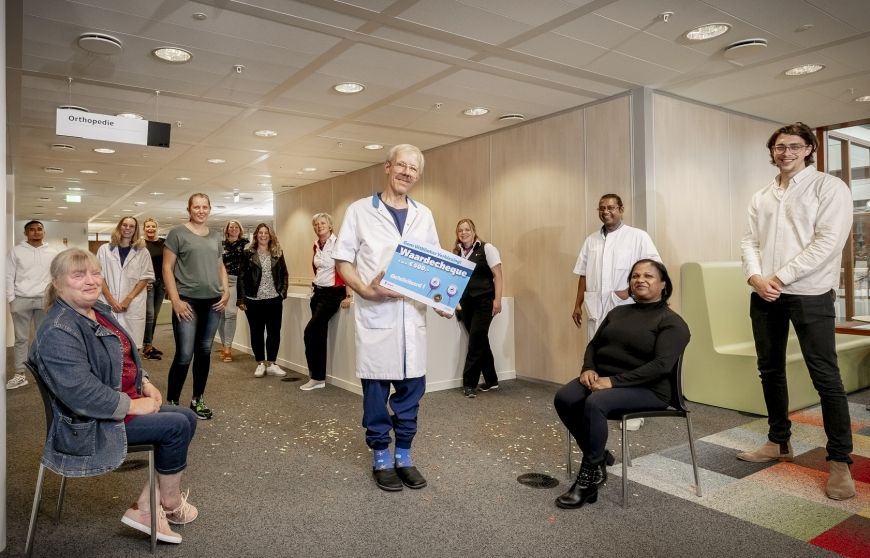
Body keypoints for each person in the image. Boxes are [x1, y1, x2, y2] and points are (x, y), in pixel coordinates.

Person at [29, 248, 199, 544]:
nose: (91, 281)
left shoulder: (99, 311)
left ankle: (147, 506)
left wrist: (144, 383)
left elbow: (125, 357)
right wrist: (134, 404)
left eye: (95, 273)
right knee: (177, 425)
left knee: (186, 415)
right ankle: (167, 503)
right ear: (58, 283)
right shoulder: (59, 329)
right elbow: (82, 394)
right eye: (79, 275)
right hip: (88, 424)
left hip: (115, 404)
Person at [738, 122, 856, 500]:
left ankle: (839, 460)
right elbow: (749, 240)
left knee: (825, 376)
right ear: (771, 151)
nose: (785, 152)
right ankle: (779, 441)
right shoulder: (763, 195)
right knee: (769, 369)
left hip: (810, 292)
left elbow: (828, 242)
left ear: (809, 149)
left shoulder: (830, 187)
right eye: (778, 146)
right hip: (765, 294)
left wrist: (779, 276)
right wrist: (756, 277)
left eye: (793, 146)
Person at [334, 144, 446, 492]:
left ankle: (405, 455)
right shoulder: (358, 211)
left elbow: (434, 266)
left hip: (413, 319)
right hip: (376, 317)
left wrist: (443, 299)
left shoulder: (423, 214)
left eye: (414, 169)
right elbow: (343, 261)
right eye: (402, 165)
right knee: (377, 393)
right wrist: (366, 292)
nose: (407, 173)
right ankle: (381, 455)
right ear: (387, 167)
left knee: (412, 392)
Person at [554, 259, 690, 509]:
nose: (640, 280)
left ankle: (587, 480)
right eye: (635, 276)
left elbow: (660, 366)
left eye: (648, 276)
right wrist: (589, 368)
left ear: (663, 285)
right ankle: (599, 456)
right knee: (564, 397)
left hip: (650, 390)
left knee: (595, 403)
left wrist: (613, 382)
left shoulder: (672, 322)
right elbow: (594, 344)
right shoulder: (618, 312)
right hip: (604, 379)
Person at [572, 194, 660, 431]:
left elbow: (653, 269)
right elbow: (583, 274)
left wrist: (629, 292)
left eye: (611, 207)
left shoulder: (638, 236)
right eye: (601, 208)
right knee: (597, 356)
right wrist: (578, 303)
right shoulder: (591, 240)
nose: (606, 211)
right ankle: (597, 402)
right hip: (596, 308)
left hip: (624, 308)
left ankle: (632, 412)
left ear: (621, 209)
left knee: (626, 358)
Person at [163, 193, 229, 420]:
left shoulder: (215, 236)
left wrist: (226, 290)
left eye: (204, 207)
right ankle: (171, 401)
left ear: (210, 209)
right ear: (189, 209)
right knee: (184, 354)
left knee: (204, 352)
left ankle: (197, 399)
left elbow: (220, 265)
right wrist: (176, 300)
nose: (201, 211)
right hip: (187, 301)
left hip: (213, 302)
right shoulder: (177, 233)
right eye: (196, 207)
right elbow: (166, 268)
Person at [300, 213, 352, 391]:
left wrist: (349, 295)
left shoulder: (338, 243)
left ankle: (315, 376)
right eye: (316, 224)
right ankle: (318, 378)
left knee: (309, 332)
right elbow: (318, 269)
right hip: (317, 293)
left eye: (322, 223)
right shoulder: (316, 245)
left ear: (330, 226)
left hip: (333, 295)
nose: (319, 226)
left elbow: (347, 269)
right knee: (318, 336)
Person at [453, 218, 504, 398]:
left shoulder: (487, 248)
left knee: (475, 340)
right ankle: (491, 380)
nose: (464, 232)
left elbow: (498, 275)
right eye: (460, 230)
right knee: (481, 339)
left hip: (484, 301)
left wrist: (497, 300)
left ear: (474, 231)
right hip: (465, 303)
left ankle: (469, 384)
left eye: (467, 229)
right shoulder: (457, 252)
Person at [5, 220, 59, 390]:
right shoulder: (16, 251)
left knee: (44, 338)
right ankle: (20, 374)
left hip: (44, 300)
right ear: (25, 232)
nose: (36, 232)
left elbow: (56, 275)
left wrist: (54, 297)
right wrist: (11, 298)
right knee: (21, 338)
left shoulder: (52, 251)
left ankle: (44, 372)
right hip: (21, 299)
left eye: (39, 229)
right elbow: (8, 275)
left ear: (43, 232)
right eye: (32, 230)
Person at [238, 223, 289, 378]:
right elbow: (241, 277)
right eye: (260, 232)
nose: (263, 235)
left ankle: (272, 363)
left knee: (274, 332)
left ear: (270, 235)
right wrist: (241, 299)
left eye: (266, 233)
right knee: (257, 332)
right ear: (256, 235)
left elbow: (285, 274)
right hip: (253, 300)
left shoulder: (277, 253)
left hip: (274, 300)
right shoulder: (248, 253)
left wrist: (282, 292)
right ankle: (260, 363)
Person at [96, 217, 155, 350]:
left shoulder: (142, 251)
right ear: (119, 227)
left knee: (132, 345)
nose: (127, 228)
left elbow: (145, 277)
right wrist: (111, 300)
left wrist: (128, 299)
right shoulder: (104, 249)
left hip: (133, 303)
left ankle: (132, 370)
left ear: (135, 230)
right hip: (108, 301)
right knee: (109, 344)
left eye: (131, 226)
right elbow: (99, 276)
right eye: (125, 225)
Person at [218, 220, 247, 362]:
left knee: (230, 314)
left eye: (236, 227)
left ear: (240, 230)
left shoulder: (245, 245)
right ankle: (224, 345)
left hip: (237, 281)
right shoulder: (221, 245)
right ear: (227, 230)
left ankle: (228, 348)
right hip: (221, 281)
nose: (234, 229)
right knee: (221, 315)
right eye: (231, 227)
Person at [142, 218, 166, 360]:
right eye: (148, 226)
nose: (150, 229)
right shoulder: (140, 244)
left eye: (153, 226)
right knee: (149, 313)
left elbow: (168, 263)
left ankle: (149, 344)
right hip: (148, 283)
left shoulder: (163, 243)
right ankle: (147, 345)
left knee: (155, 314)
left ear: (157, 228)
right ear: (144, 228)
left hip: (161, 283)